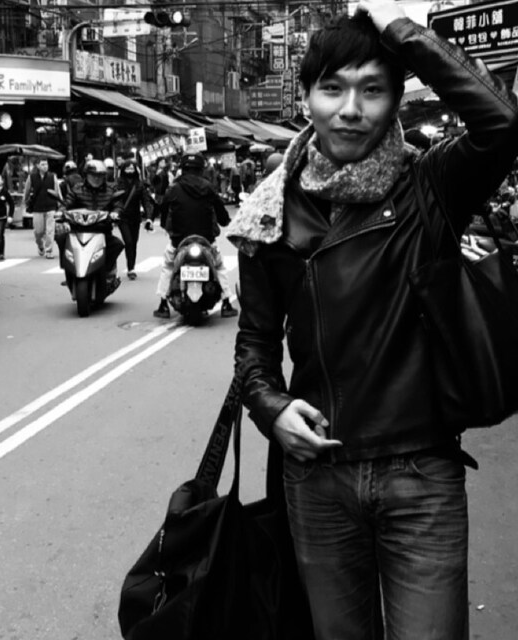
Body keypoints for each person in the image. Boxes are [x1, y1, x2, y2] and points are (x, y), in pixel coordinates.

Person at [227, 2, 518, 638]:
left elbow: (502, 121)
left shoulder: (429, 185)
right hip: (318, 479)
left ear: (395, 101)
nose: (351, 109)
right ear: (306, 97)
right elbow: (253, 345)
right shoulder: (270, 212)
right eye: (332, 89)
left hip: (421, 478)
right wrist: (272, 409)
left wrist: (397, 27)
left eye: (373, 90)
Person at [152, 152, 238, 319]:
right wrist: (225, 221)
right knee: (219, 266)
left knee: (168, 266)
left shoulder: (173, 188)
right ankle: (226, 303)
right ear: (201, 169)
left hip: (179, 241)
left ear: (183, 168)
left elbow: (163, 212)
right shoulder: (208, 187)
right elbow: (221, 213)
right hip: (206, 240)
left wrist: (165, 225)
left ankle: (163, 304)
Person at [61, 159, 125, 288]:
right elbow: (67, 203)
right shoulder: (77, 189)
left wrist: (115, 213)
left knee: (117, 244)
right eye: (93, 175)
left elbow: (118, 205)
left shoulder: (111, 189)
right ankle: (69, 271)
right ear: (86, 175)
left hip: (102, 230)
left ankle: (108, 272)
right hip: (78, 229)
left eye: (100, 176)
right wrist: (61, 212)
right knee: (61, 238)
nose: (96, 179)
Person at [115, 160, 154, 280]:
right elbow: (114, 200)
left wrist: (149, 218)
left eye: (132, 168)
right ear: (123, 170)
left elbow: (146, 202)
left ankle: (131, 267)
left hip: (135, 218)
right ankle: (129, 268)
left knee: (133, 242)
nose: (130, 170)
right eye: (127, 168)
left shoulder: (140, 185)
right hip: (122, 217)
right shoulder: (117, 184)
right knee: (128, 241)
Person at [23, 157, 62, 259]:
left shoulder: (52, 176)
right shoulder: (31, 177)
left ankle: (49, 250)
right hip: (37, 207)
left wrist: (60, 203)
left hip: (51, 206)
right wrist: (25, 202)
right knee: (38, 232)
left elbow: (57, 191)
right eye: (43, 164)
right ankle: (40, 245)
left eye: (46, 164)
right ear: (38, 166)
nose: (45, 166)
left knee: (50, 231)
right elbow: (27, 191)